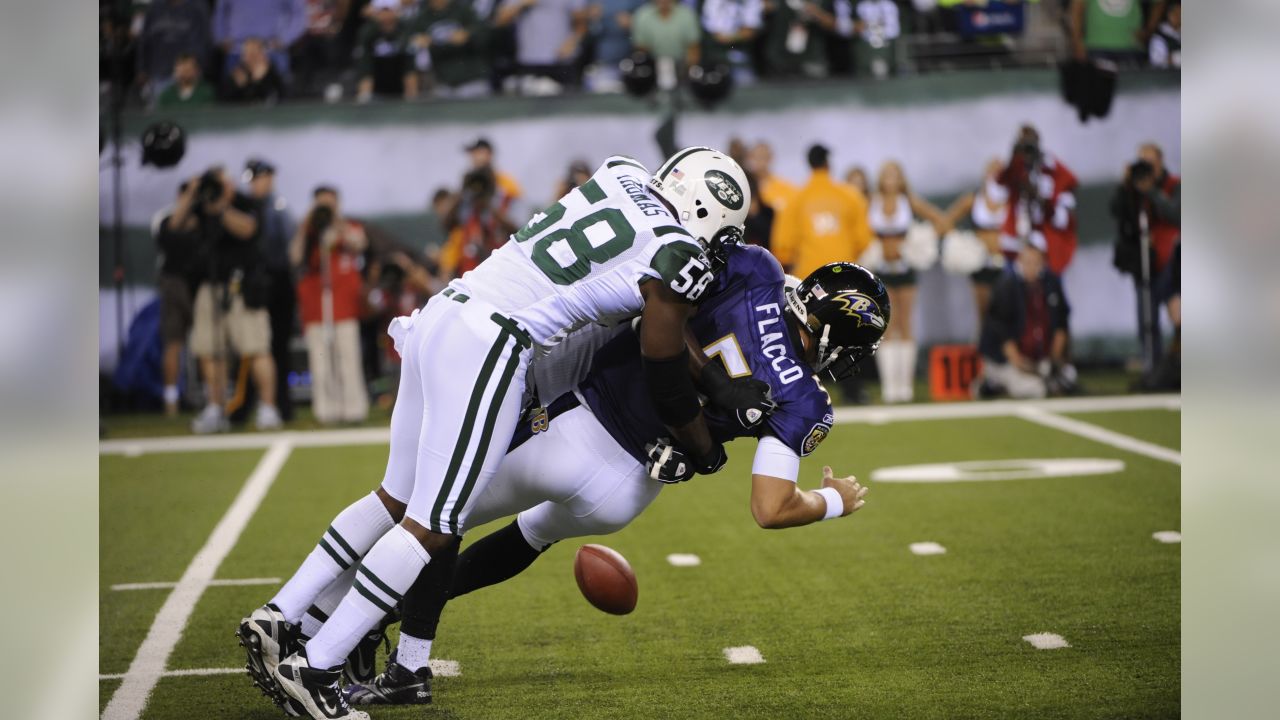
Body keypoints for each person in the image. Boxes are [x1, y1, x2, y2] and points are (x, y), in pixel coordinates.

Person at [241, 148, 765, 720]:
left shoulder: (622, 172)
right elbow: (661, 352)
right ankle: (316, 667)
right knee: (434, 526)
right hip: (493, 341)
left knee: (397, 498)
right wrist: (706, 440)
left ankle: (282, 616)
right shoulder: (680, 250)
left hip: (444, 312)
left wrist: (710, 375)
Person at [336, 252, 885, 706]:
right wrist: (831, 500)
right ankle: (393, 638)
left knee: (437, 515)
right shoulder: (806, 402)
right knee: (532, 534)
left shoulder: (753, 272)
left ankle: (378, 645)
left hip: (579, 427)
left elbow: (659, 314)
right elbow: (771, 507)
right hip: (628, 491)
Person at [172, 167, 282, 434]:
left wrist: (221, 207)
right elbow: (176, 225)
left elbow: (247, 229)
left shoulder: (244, 203)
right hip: (209, 286)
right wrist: (191, 194)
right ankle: (214, 407)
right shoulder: (200, 206)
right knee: (210, 351)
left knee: (256, 347)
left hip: (241, 286)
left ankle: (268, 408)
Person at [862, 160, 945, 404]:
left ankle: (905, 386)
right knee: (886, 324)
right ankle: (890, 387)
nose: (891, 179)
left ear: (901, 179)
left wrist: (919, 243)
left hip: (905, 270)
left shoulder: (908, 201)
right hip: (881, 270)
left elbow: (939, 221)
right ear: (881, 179)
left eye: (895, 175)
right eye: (887, 175)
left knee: (905, 323)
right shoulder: (872, 202)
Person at [291, 186, 371, 424]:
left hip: (344, 307)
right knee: (321, 362)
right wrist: (309, 223)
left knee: (349, 360)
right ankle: (326, 411)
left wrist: (336, 221)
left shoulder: (348, 227)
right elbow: (295, 257)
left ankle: (353, 410)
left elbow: (360, 243)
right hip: (316, 308)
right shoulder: (308, 234)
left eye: (330, 203)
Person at [1110, 142, 1180, 385]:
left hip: (1173, 264)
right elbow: (1117, 213)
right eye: (1142, 161)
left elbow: (1176, 214)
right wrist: (1125, 185)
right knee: (1147, 322)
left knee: (1179, 317)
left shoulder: (1174, 185)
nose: (1147, 166)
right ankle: (1153, 371)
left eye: (1151, 161)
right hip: (1144, 263)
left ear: (1161, 162)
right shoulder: (1133, 189)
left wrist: (1152, 191)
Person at [976, 239, 1075, 399]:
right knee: (1033, 388)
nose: (1032, 267)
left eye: (1036, 262)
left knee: (1068, 377)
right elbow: (1003, 335)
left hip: (1038, 360)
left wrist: (1053, 363)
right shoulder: (1007, 286)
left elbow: (1060, 325)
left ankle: (1026, 381)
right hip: (1009, 361)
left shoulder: (1051, 283)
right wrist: (1024, 366)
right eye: (1028, 262)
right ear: (1020, 262)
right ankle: (993, 383)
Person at [245, 159, 299, 422]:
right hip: (254, 284)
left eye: (263, 177)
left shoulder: (278, 207)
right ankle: (249, 405)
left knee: (278, 346)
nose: (260, 183)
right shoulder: (247, 207)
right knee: (252, 345)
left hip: (277, 283)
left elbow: (289, 249)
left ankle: (282, 406)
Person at [771, 144, 872, 282]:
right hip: (845, 276)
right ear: (828, 163)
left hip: (809, 278)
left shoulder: (795, 200)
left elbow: (782, 248)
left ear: (809, 164)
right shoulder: (852, 197)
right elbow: (864, 241)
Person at [997, 125, 1078, 276]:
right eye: (1023, 144)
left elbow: (1066, 220)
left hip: (1046, 252)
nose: (1027, 152)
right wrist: (1013, 160)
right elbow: (996, 194)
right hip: (1015, 249)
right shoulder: (1014, 170)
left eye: (1030, 145)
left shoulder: (1056, 173)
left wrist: (1040, 199)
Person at [154, 183, 204, 417]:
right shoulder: (165, 217)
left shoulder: (204, 217)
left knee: (205, 343)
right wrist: (190, 195)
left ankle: (210, 396)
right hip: (174, 283)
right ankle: (171, 398)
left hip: (200, 284)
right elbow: (172, 229)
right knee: (173, 343)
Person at [943, 158, 1010, 324]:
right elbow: (946, 220)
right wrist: (961, 241)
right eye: (992, 170)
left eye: (1000, 171)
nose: (996, 173)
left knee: (1008, 310)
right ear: (985, 174)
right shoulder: (974, 198)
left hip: (1007, 262)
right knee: (984, 312)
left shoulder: (1012, 199)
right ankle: (985, 347)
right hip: (981, 263)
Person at [437, 168, 518, 279]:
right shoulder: (465, 208)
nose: (478, 190)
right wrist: (462, 192)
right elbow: (446, 225)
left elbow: (517, 229)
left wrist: (487, 203)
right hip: (470, 270)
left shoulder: (502, 201)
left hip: (499, 268)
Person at [494, 0, 590, 93]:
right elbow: (499, 20)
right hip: (529, 61)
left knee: (567, 106)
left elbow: (581, 21)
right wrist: (522, 4)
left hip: (562, 60)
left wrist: (572, 42)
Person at [411, 0, 491, 98]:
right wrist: (418, 40)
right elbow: (411, 40)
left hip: (472, 79)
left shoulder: (463, 9)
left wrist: (468, 34)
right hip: (442, 83)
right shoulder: (423, 16)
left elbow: (484, 32)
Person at [214, 0, 308, 79]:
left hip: (271, 51)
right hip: (236, 51)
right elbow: (220, 12)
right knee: (231, 98)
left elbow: (299, 14)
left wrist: (284, 39)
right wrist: (221, 37)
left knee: (276, 97)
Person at [136, 0, 211, 98]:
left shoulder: (197, 6)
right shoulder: (155, 7)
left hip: (189, 76)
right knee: (160, 109)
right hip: (159, 74)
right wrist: (141, 68)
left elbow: (205, 40)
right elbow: (145, 40)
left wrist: (197, 67)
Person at [354, 0, 419, 101]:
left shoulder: (405, 30)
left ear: (396, 11)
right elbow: (365, 67)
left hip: (400, 90)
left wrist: (412, 98)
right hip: (376, 90)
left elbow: (409, 67)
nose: (386, 15)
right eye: (382, 11)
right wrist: (364, 97)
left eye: (389, 10)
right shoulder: (368, 32)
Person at [763, 0, 838, 78]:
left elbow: (837, 25)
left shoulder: (822, 2)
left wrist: (817, 13)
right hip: (779, 59)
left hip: (812, 60)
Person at [700, 0, 763, 83]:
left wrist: (729, 38)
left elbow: (749, 32)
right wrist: (737, 36)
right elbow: (717, 35)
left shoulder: (751, 2)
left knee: (745, 80)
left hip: (742, 53)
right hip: (717, 53)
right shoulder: (713, 2)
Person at [631, 0, 702, 67]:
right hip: (652, 65)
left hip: (681, 65)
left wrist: (688, 69)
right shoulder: (642, 15)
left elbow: (693, 48)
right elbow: (641, 49)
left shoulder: (687, 14)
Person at [222, 36, 287, 103]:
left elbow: (282, 96)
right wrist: (238, 86)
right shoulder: (238, 73)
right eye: (247, 53)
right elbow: (225, 100)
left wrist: (259, 80)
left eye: (254, 54)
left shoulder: (271, 71)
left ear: (262, 55)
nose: (250, 58)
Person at [463, 137, 523, 204]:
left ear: (489, 155)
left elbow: (518, 206)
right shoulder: (469, 180)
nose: (474, 157)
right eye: (472, 153)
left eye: (478, 153)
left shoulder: (504, 180)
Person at [746, 141, 798, 213]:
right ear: (750, 158)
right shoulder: (745, 186)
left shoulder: (785, 186)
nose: (760, 161)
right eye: (757, 157)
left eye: (763, 156)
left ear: (770, 158)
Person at [1148, 0, 1180, 69]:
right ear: (1169, 15)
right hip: (1168, 77)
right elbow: (1156, 61)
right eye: (1176, 14)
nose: (1179, 17)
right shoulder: (1159, 36)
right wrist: (1176, 58)